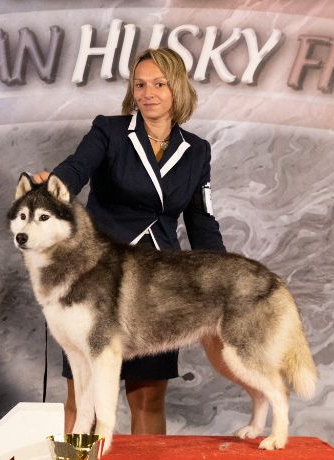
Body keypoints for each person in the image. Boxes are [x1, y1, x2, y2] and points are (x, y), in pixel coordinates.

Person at [33, 48, 225, 435]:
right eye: (140, 85)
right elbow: (76, 168)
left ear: (177, 89)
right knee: (82, 397)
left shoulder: (197, 151)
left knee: (148, 397)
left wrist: (224, 274)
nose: (148, 93)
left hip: (159, 285)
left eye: (159, 84)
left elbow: (201, 220)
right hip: (97, 278)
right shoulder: (109, 131)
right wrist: (54, 187)